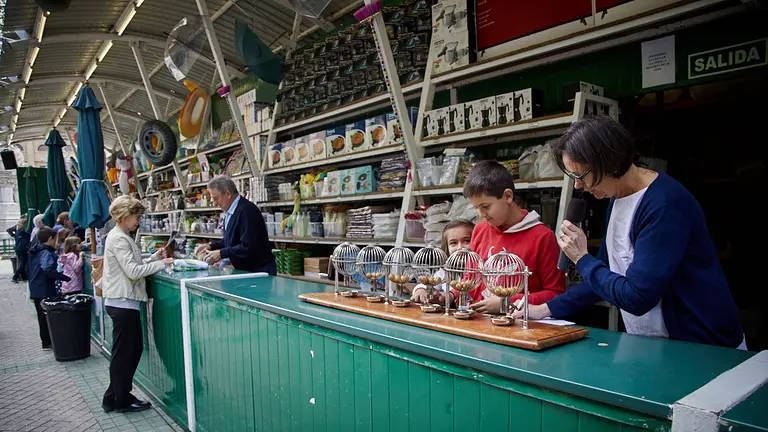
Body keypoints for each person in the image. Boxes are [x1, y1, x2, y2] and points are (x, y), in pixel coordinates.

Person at [511, 116, 745, 349]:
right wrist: (544, 309)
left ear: (609, 162)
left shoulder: (664, 204)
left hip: (702, 347)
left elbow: (637, 297)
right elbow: (603, 276)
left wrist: (581, 258)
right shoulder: (617, 199)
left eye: (580, 176)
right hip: (653, 344)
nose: (578, 186)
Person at [460, 160, 565, 314]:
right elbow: (470, 279)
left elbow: (556, 293)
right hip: (480, 322)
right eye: (476, 208)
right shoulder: (480, 230)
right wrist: (447, 294)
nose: (481, 215)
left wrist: (509, 302)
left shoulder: (542, 237)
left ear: (508, 196)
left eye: (486, 207)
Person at [101, 195, 174, 413]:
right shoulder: (119, 238)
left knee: (128, 352)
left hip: (123, 303)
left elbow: (133, 263)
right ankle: (120, 399)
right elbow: (132, 272)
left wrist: (152, 258)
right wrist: (162, 263)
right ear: (124, 215)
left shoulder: (121, 236)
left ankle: (114, 396)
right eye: (135, 215)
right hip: (123, 303)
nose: (138, 220)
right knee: (126, 353)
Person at [194, 176, 276, 274]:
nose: (214, 203)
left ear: (228, 194)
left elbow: (248, 247)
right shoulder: (229, 212)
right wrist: (210, 246)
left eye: (216, 198)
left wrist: (221, 253)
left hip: (259, 271)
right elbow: (230, 241)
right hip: (246, 270)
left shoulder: (247, 211)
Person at [411, 219, 474, 304]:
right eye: (453, 243)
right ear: (447, 248)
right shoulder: (444, 272)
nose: (460, 247)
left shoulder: (479, 272)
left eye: (467, 241)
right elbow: (430, 283)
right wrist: (420, 290)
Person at [27, 227, 71, 349]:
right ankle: (50, 340)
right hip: (45, 288)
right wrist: (64, 277)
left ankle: (45, 340)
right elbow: (48, 270)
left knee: (41, 316)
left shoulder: (34, 251)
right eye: (54, 238)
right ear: (50, 238)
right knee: (48, 316)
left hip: (36, 287)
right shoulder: (45, 253)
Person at [7, 217, 30, 283]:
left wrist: (14, 236)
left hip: (18, 248)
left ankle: (23, 277)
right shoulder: (24, 231)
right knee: (22, 263)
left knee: (22, 262)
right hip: (22, 248)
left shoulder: (18, 230)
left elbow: (8, 230)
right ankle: (15, 277)